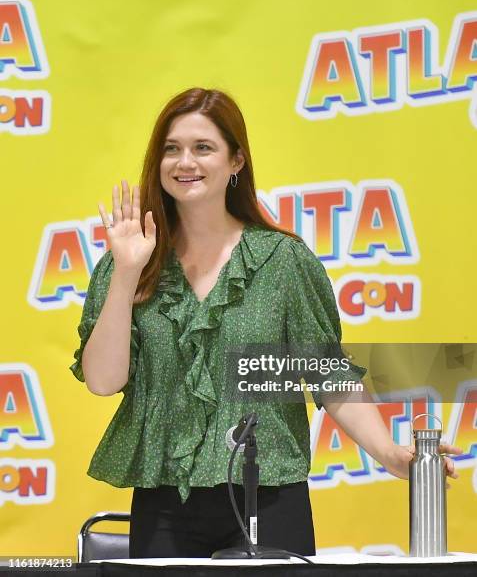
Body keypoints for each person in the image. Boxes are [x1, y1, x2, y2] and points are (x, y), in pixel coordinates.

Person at [70, 87, 460, 559]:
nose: (184, 161)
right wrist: (128, 272)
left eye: (203, 148)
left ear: (236, 161)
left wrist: (392, 455)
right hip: (167, 501)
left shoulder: (283, 261)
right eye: (171, 149)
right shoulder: (129, 259)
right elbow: (103, 380)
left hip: (269, 497)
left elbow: (328, 376)